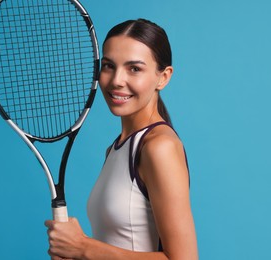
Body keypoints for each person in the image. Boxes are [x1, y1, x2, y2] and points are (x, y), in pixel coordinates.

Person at [45, 18, 198, 260]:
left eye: (134, 68)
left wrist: (84, 247)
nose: (116, 80)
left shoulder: (160, 146)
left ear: (163, 77)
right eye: (108, 66)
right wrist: (74, 252)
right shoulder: (116, 149)